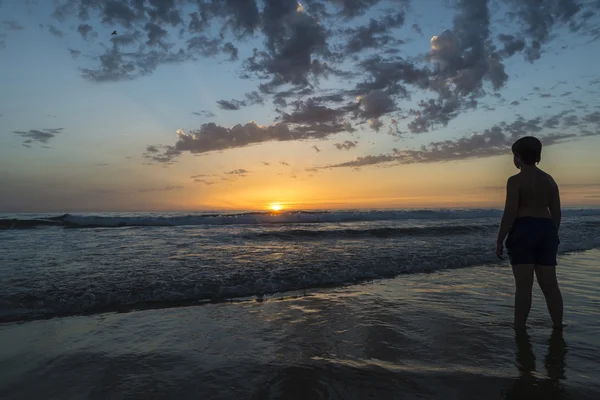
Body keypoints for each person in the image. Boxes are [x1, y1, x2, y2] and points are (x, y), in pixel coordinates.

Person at [495, 136, 564, 330]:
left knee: (524, 287)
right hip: (546, 230)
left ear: (517, 157)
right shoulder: (549, 180)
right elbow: (556, 212)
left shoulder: (515, 180)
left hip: (524, 230)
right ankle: (558, 325)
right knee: (550, 285)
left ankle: (519, 328)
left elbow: (510, 212)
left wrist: (500, 239)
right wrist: (553, 233)